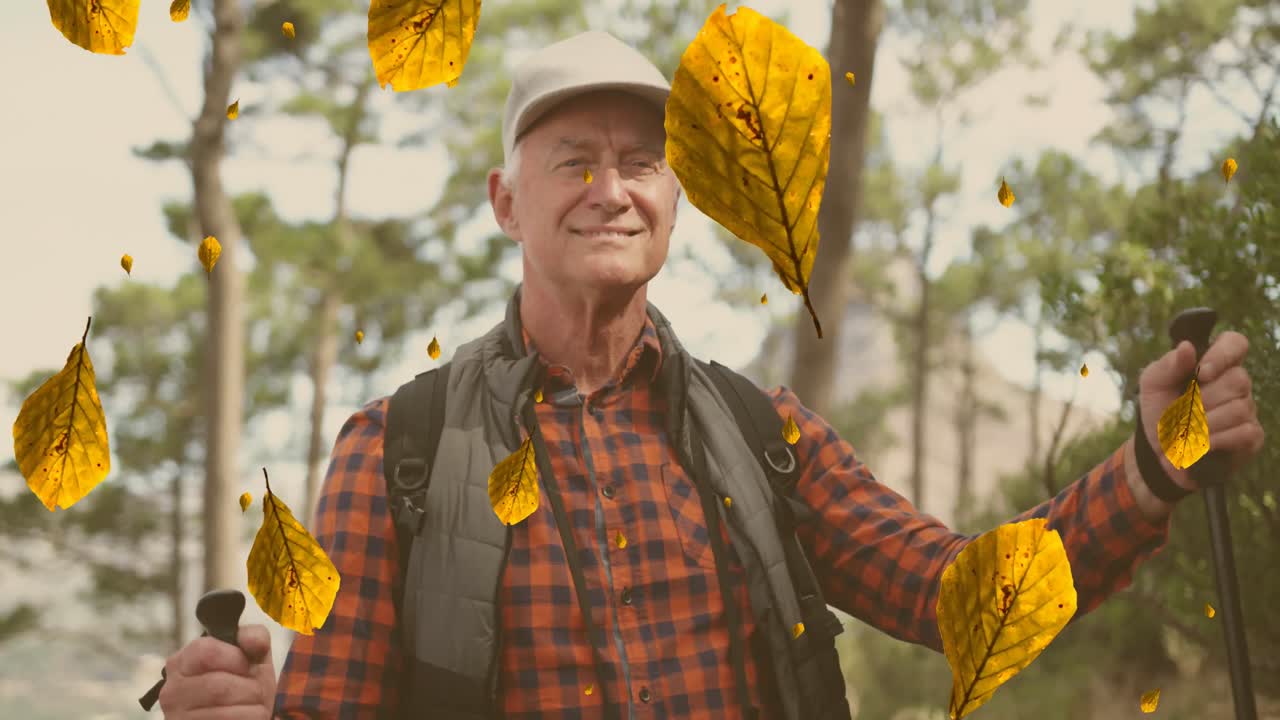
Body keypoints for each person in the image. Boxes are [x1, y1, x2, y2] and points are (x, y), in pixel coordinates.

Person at [156, 29, 1264, 720]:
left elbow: (956, 596)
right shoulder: (396, 453)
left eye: (641, 163)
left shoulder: (761, 433)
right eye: (573, 162)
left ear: (674, 201)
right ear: (505, 202)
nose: (612, 190)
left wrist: (1150, 470)